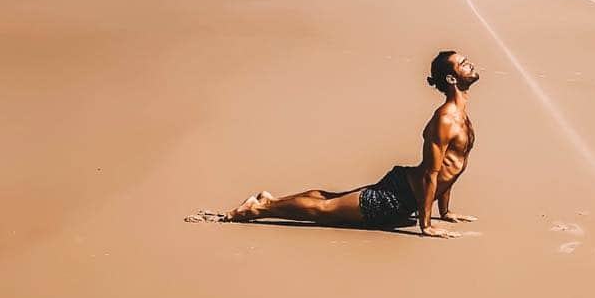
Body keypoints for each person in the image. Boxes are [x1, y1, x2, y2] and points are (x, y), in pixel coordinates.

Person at [189, 50, 480, 237]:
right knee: (325, 210)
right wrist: (426, 226)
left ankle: (270, 199)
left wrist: (446, 212)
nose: (471, 63)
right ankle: (256, 210)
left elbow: (450, 169)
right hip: (396, 198)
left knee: (332, 197)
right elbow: (431, 173)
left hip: (406, 193)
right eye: (463, 64)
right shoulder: (446, 119)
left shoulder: (462, 117)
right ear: (452, 78)